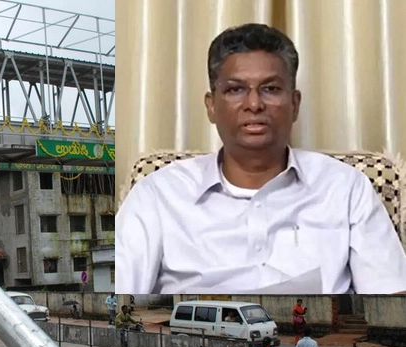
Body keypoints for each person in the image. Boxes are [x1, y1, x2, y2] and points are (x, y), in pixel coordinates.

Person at [116, 22, 406, 294]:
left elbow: (392, 296)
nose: (254, 104)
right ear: (211, 106)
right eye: (235, 89)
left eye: (270, 89)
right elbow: (121, 299)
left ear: (294, 104)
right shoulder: (157, 195)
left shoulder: (345, 188)